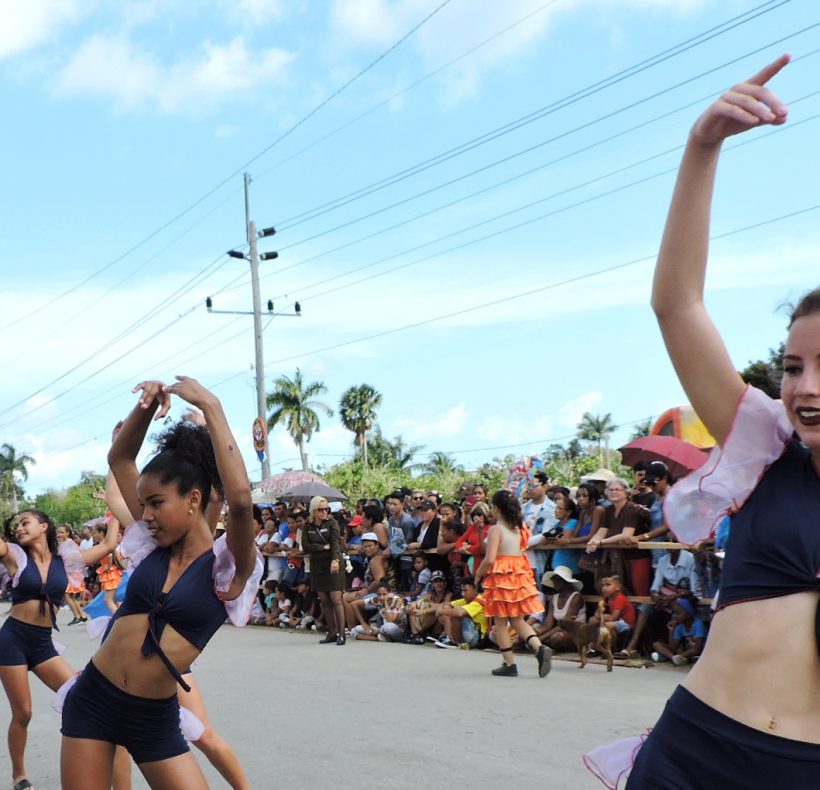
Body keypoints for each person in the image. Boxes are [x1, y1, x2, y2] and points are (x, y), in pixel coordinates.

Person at [592, 55, 820, 788]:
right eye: (792, 368)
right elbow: (677, 306)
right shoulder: (766, 450)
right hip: (694, 751)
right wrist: (703, 147)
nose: (805, 388)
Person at [59, 377, 260, 789]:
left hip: (153, 718)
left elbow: (240, 501)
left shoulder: (228, 569)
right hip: (93, 700)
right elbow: (120, 458)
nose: (145, 515)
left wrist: (211, 405)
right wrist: (147, 406)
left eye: (156, 503)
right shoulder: (152, 546)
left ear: (193, 499)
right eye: (143, 503)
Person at [0, 508, 118, 790]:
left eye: (25, 523)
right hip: (12, 640)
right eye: (16, 525)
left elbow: (109, 545)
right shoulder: (15, 556)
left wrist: (114, 515)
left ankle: (89, 763)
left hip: (42, 644)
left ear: (43, 526)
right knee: (24, 712)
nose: (19, 528)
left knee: (79, 697)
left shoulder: (65, 561)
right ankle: (19, 774)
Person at [475, 490, 550, 678]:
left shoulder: (496, 530)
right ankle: (539, 648)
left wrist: (479, 573)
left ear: (496, 508)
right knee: (517, 619)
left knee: (500, 622)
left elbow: (490, 558)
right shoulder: (520, 528)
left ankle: (509, 663)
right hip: (517, 575)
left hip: (501, 577)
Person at [301, 496, 346, 646]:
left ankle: (341, 634)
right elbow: (306, 547)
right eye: (321, 509)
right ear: (313, 510)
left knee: (337, 600)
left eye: (327, 508)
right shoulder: (308, 527)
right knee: (325, 601)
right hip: (317, 566)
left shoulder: (332, 523)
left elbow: (335, 543)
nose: (324, 512)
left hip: (333, 564)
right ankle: (331, 632)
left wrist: (335, 559)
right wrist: (321, 547)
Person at [650, 598, 706, 666]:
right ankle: (673, 658)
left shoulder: (698, 624)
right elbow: (673, 647)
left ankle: (669, 658)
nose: (674, 616)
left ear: (688, 615)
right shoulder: (679, 626)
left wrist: (680, 655)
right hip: (683, 653)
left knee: (691, 651)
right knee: (656, 644)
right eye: (674, 613)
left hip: (698, 652)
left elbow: (697, 649)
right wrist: (671, 630)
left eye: (678, 613)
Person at [56, 524, 89, 626]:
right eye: (58, 532)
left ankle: (77, 616)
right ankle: (82, 615)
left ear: (67, 533)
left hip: (71, 573)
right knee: (70, 596)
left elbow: (74, 556)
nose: (59, 534)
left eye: (62, 532)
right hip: (68, 573)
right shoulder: (64, 544)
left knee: (67, 595)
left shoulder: (69, 543)